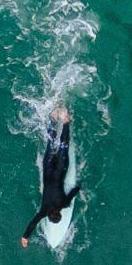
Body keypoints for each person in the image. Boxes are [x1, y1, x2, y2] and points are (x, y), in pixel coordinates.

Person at [18, 106, 78, 247]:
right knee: (51, 145)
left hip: (61, 169)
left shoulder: (64, 203)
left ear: (58, 213)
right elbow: (33, 223)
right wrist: (25, 237)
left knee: (64, 145)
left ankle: (65, 120)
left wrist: (80, 189)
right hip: (48, 168)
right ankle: (53, 117)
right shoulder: (44, 210)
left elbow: (75, 190)